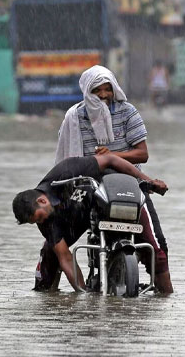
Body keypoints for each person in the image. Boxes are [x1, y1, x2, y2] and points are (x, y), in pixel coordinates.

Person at [12, 154, 173, 295]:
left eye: (39, 217)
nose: (41, 223)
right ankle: (46, 295)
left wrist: (147, 180)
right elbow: (66, 258)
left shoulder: (66, 171)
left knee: (155, 252)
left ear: (42, 200)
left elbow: (110, 159)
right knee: (51, 251)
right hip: (82, 217)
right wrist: (83, 293)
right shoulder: (47, 223)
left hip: (120, 198)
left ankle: (167, 298)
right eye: (36, 222)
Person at [55, 65, 168, 256]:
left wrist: (111, 157)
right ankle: (46, 282)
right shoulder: (74, 118)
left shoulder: (127, 112)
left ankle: (163, 285)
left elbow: (142, 154)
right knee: (56, 241)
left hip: (131, 184)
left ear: (114, 89)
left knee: (157, 247)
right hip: (90, 186)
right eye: (96, 90)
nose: (103, 94)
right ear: (87, 91)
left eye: (107, 89)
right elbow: (67, 159)